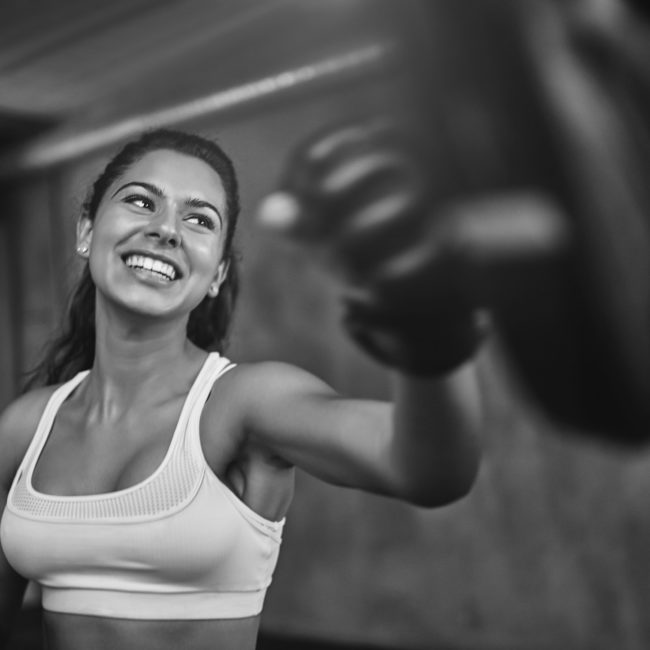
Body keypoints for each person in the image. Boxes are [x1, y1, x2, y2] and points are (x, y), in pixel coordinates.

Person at [0, 128, 483, 650]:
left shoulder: (244, 403)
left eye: (199, 219)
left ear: (217, 273)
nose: (166, 230)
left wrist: (432, 327)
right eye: (141, 202)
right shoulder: (28, 424)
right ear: (86, 231)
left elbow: (426, 470)